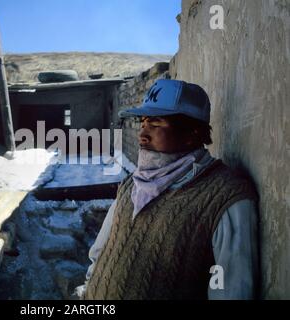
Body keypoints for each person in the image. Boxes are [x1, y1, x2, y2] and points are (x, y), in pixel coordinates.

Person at [75, 79, 259, 300]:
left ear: (192, 132)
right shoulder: (132, 184)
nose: (142, 134)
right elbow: (101, 251)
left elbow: (231, 291)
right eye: (143, 123)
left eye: (155, 124)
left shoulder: (224, 198)